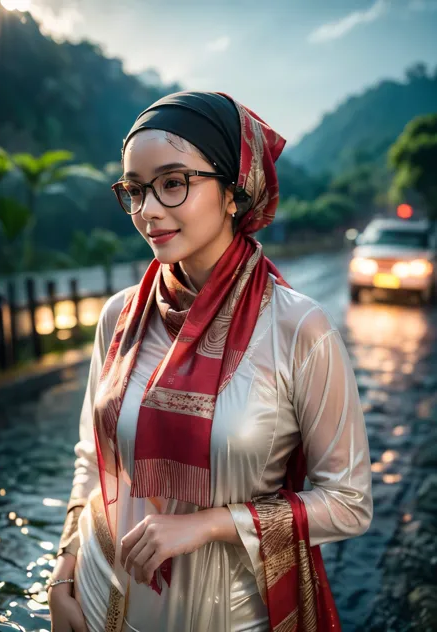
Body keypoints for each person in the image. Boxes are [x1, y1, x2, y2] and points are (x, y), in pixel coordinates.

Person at [48, 91, 373, 632]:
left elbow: (349, 502)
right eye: (134, 190)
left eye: (172, 183)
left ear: (232, 193)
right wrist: (63, 578)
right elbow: (91, 460)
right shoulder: (120, 318)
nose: (148, 210)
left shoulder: (298, 329)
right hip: (102, 605)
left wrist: (211, 524)